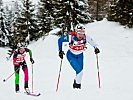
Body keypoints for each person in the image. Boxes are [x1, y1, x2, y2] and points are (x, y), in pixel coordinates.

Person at [58, 24, 100, 89]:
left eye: (82, 32)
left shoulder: (86, 37)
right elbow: (60, 40)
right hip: (71, 55)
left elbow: (94, 43)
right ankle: (77, 87)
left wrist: (96, 48)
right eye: (79, 33)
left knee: (79, 72)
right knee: (80, 72)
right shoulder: (70, 37)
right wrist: (60, 50)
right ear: (76, 32)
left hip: (80, 55)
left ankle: (76, 86)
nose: (81, 35)